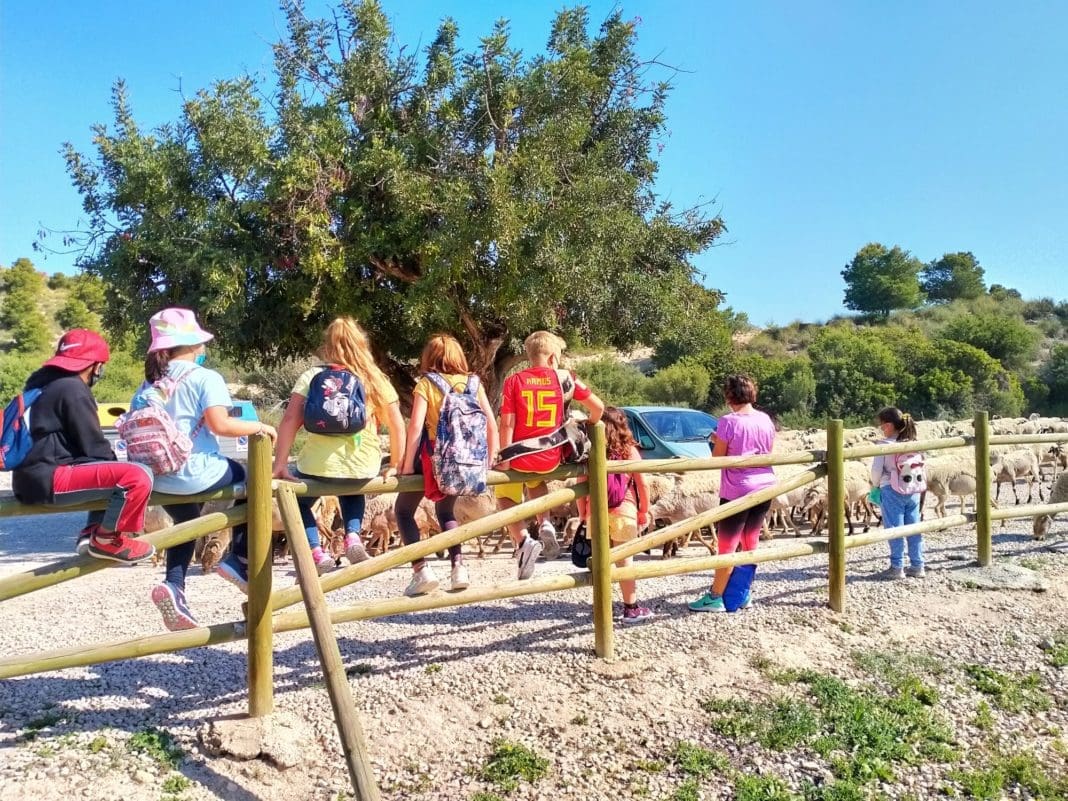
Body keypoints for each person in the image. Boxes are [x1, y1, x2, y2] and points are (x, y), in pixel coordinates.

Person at [131, 308, 277, 631]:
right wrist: (260, 427)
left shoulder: (150, 383)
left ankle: (174, 586)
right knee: (251, 477)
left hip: (156, 477)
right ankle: (239, 558)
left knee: (187, 521)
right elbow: (220, 424)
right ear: (193, 345)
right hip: (194, 471)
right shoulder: (204, 377)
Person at [273, 317, 405, 573]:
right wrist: (396, 464)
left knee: (298, 502)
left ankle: (316, 552)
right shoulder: (374, 378)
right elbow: (397, 425)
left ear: (327, 345)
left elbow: (290, 420)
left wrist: (280, 464)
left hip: (317, 464)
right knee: (353, 489)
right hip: (362, 466)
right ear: (362, 343)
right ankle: (353, 537)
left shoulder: (313, 376)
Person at [12, 329, 155, 563]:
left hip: (29, 479)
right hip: (50, 478)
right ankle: (107, 539)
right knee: (137, 476)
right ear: (95, 366)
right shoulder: (73, 388)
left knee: (107, 470)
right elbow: (94, 446)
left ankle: (91, 535)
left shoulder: (43, 384)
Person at [496, 331, 604, 579]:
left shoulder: (514, 381)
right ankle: (545, 522)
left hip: (521, 457)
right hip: (551, 457)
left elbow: (507, 424)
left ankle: (524, 539)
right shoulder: (567, 378)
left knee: (504, 494)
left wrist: (505, 460)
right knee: (536, 480)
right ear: (554, 357)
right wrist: (589, 423)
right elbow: (598, 408)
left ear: (529, 355)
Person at [397, 334, 498, 596]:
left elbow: (415, 428)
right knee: (445, 512)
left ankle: (421, 571)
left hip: (434, 459)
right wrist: (488, 462)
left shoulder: (426, 384)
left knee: (403, 511)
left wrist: (407, 466)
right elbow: (491, 425)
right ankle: (458, 568)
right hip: (465, 462)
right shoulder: (474, 383)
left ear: (429, 358)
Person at [689, 374, 776, 612]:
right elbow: (766, 449)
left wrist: (715, 440)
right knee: (750, 541)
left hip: (737, 488)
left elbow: (718, 457)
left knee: (727, 544)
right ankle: (742, 593)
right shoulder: (765, 419)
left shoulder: (728, 421)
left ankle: (716, 596)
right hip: (765, 485)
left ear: (729, 396)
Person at [601, 407, 653, 623]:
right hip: (624, 510)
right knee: (625, 562)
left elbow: (580, 483)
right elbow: (642, 483)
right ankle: (631, 608)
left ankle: (601, 608)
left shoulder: (593, 449)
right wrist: (644, 510)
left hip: (597, 512)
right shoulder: (629, 450)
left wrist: (583, 513)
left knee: (601, 562)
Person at [871, 406, 924, 579]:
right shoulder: (912, 443)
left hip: (891, 488)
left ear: (888, 425)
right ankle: (917, 565)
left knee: (894, 528)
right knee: (914, 527)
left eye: (881, 426)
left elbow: (876, 471)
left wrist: (875, 485)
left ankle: (897, 567)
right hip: (913, 488)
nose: (881, 429)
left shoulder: (884, 446)